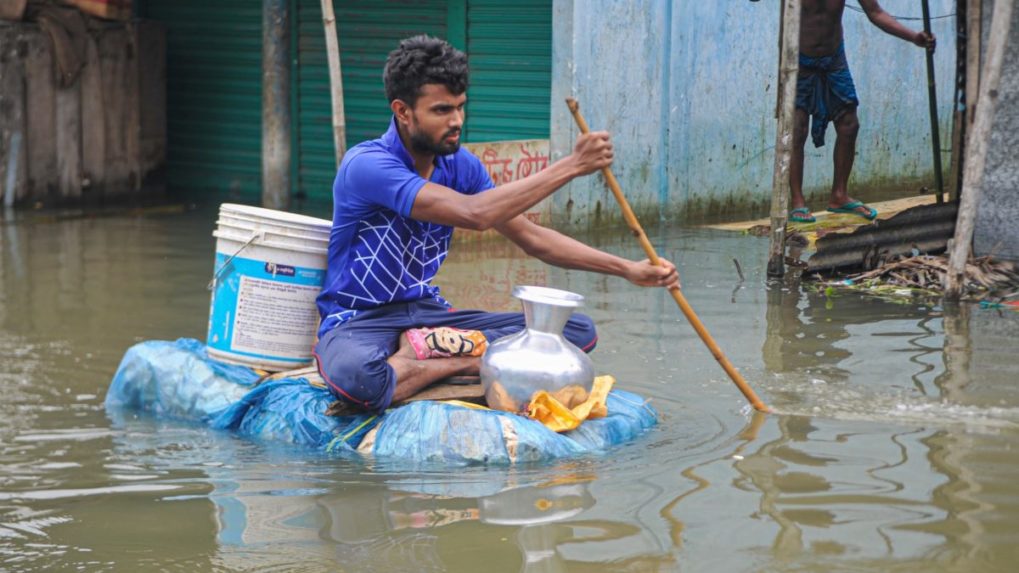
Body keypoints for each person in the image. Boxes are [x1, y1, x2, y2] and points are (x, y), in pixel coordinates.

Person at [314, 35, 679, 413]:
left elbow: (534, 239)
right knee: (358, 379)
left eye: (460, 107)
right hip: (359, 319)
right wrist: (571, 166)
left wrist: (628, 269)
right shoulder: (367, 165)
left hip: (429, 318)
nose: (456, 121)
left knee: (576, 332)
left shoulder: (461, 166)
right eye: (441, 111)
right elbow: (476, 214)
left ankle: (426, 357)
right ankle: (452, 360)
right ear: (403, 112)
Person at [788, 0, 936, 223]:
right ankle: (797, 201)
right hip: (797, 59)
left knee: (849, 124)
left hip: (833, 58)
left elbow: (876, 13)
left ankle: (839, 196)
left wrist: (913, 37)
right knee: (797, 129)